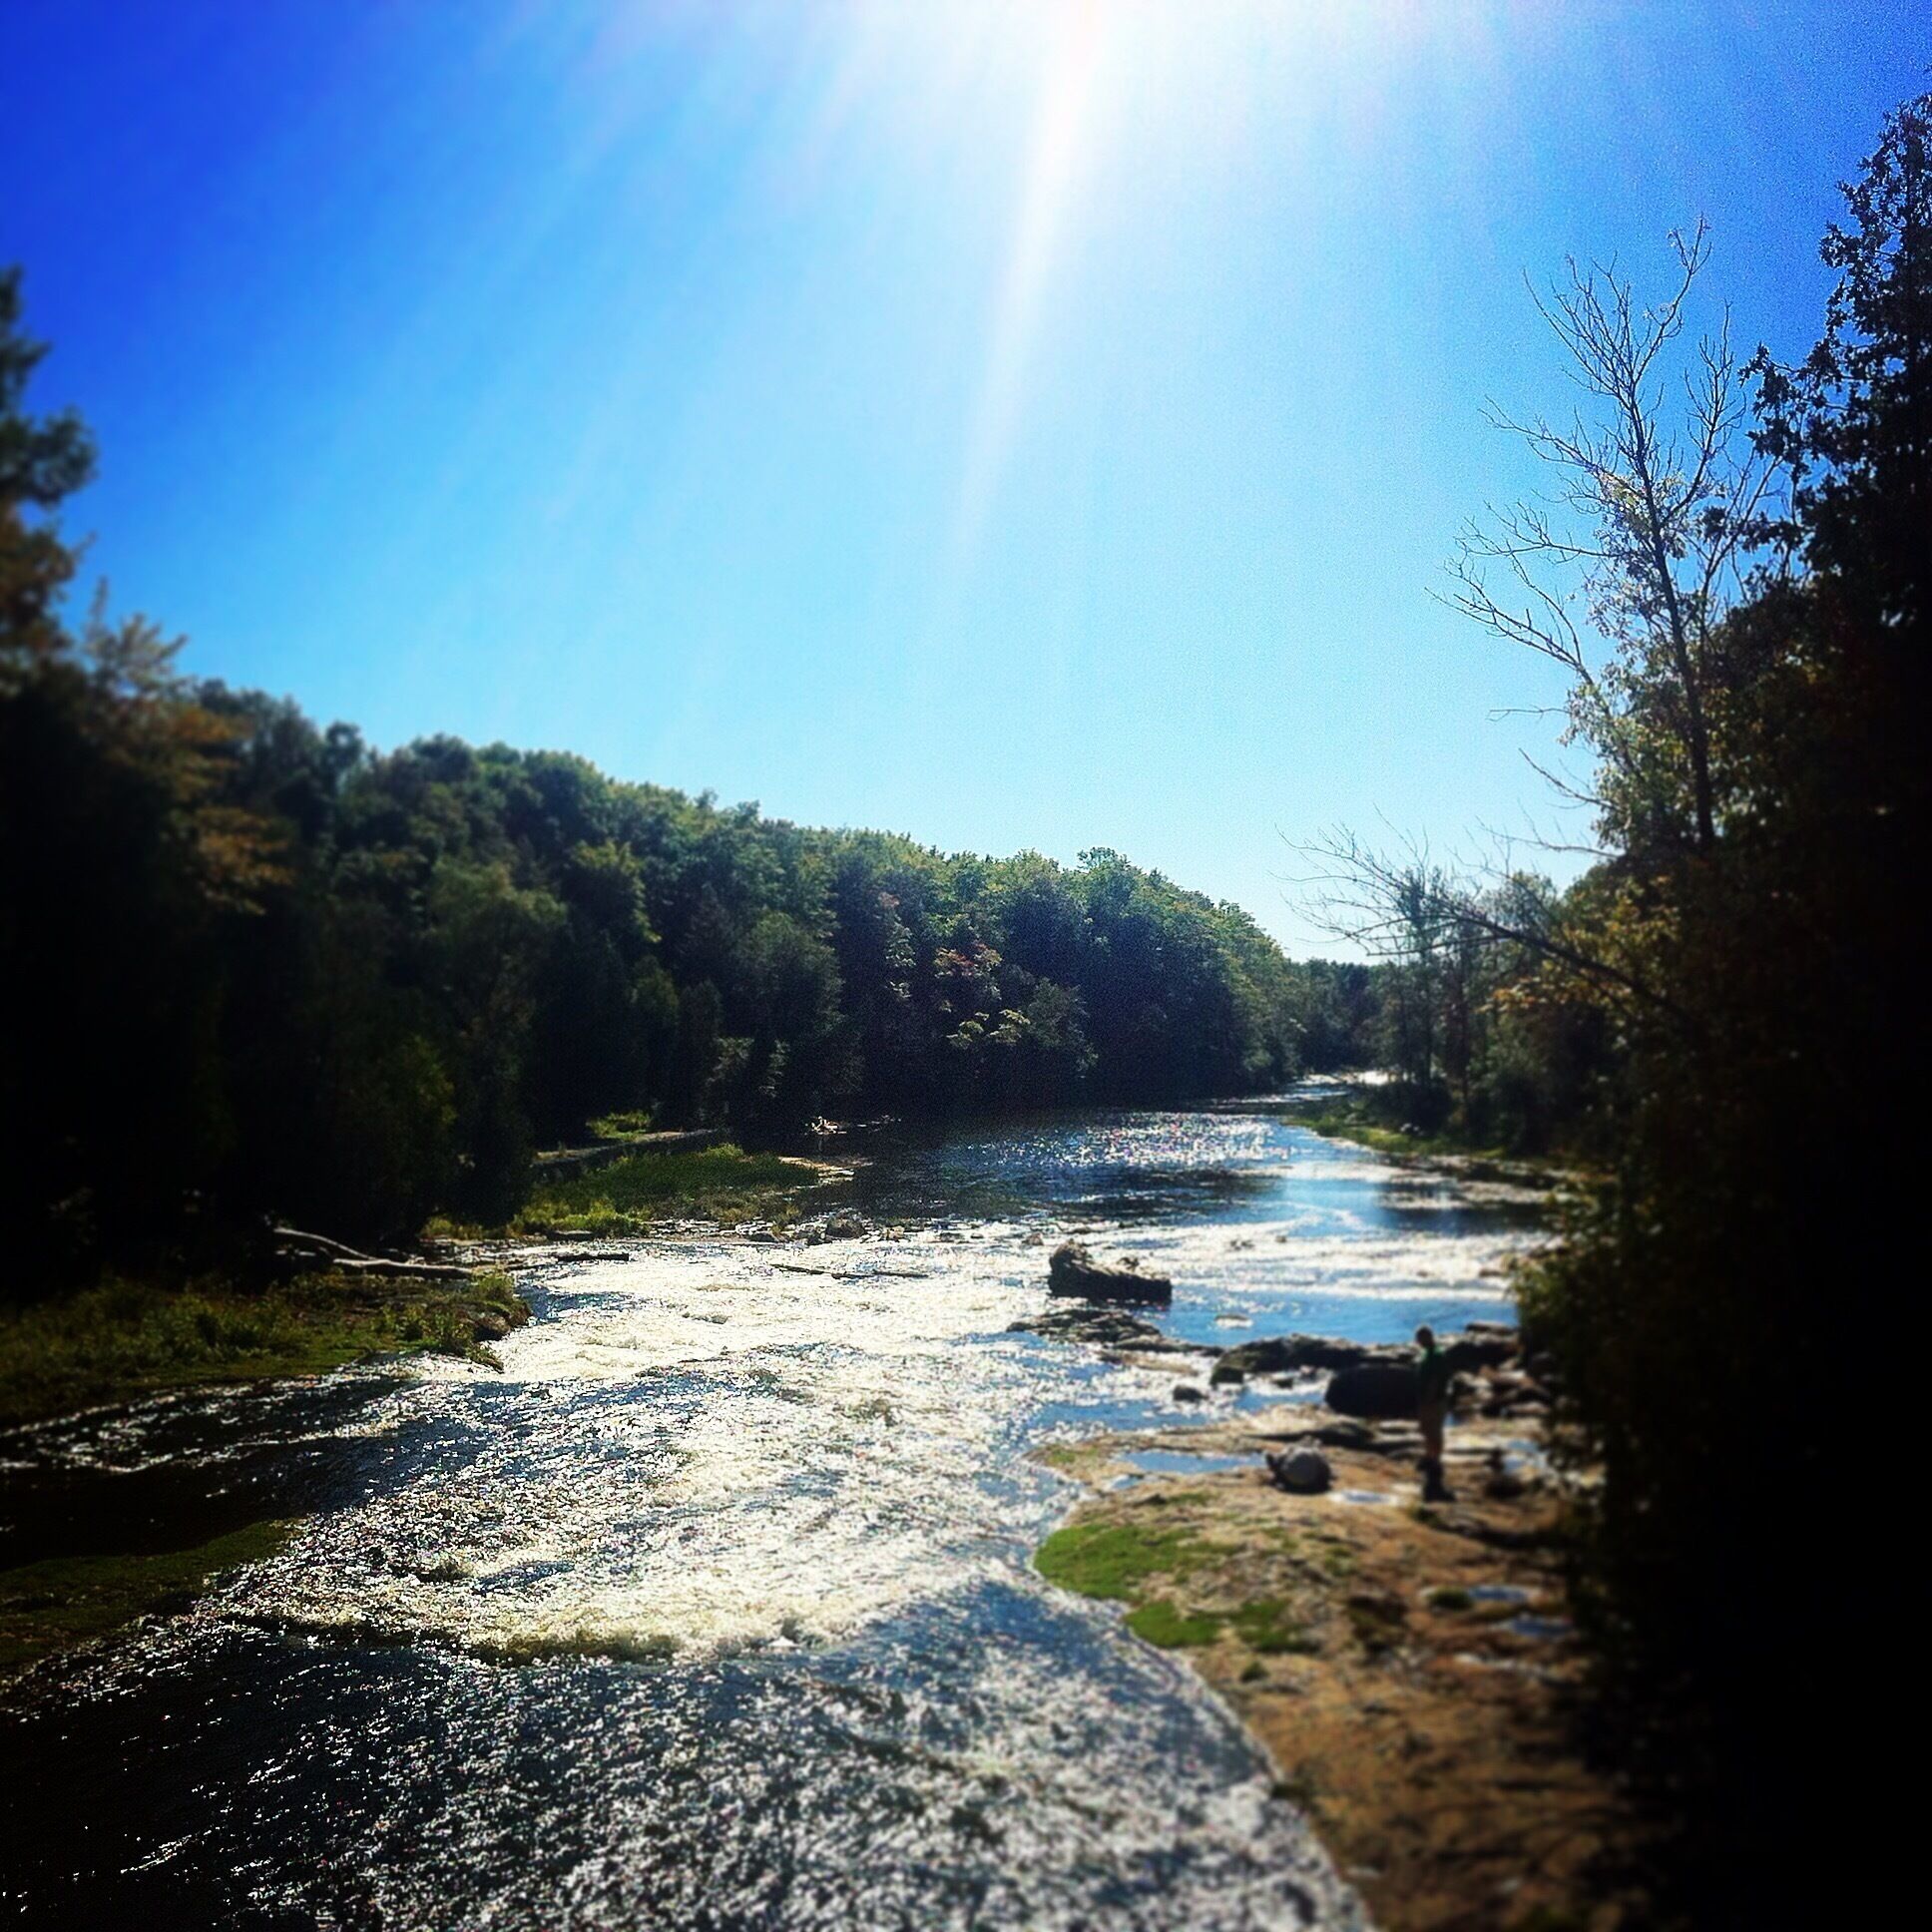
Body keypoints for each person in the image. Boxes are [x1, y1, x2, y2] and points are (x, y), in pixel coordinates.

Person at [1414, 1324, 1453, 1501]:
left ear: (1428, 1337)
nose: (1417, 1342)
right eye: (1417, 1339)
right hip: (1426, 1399)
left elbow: (1436, 1379)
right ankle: (1429, 1456)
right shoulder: (1427, 1353)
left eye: (1420, 1338)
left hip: (1435, 1399)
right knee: (1425, 1429)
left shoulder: (1436, 1355)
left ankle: (1435, 1460)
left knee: (1434, 1429)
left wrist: (1429, 1397)